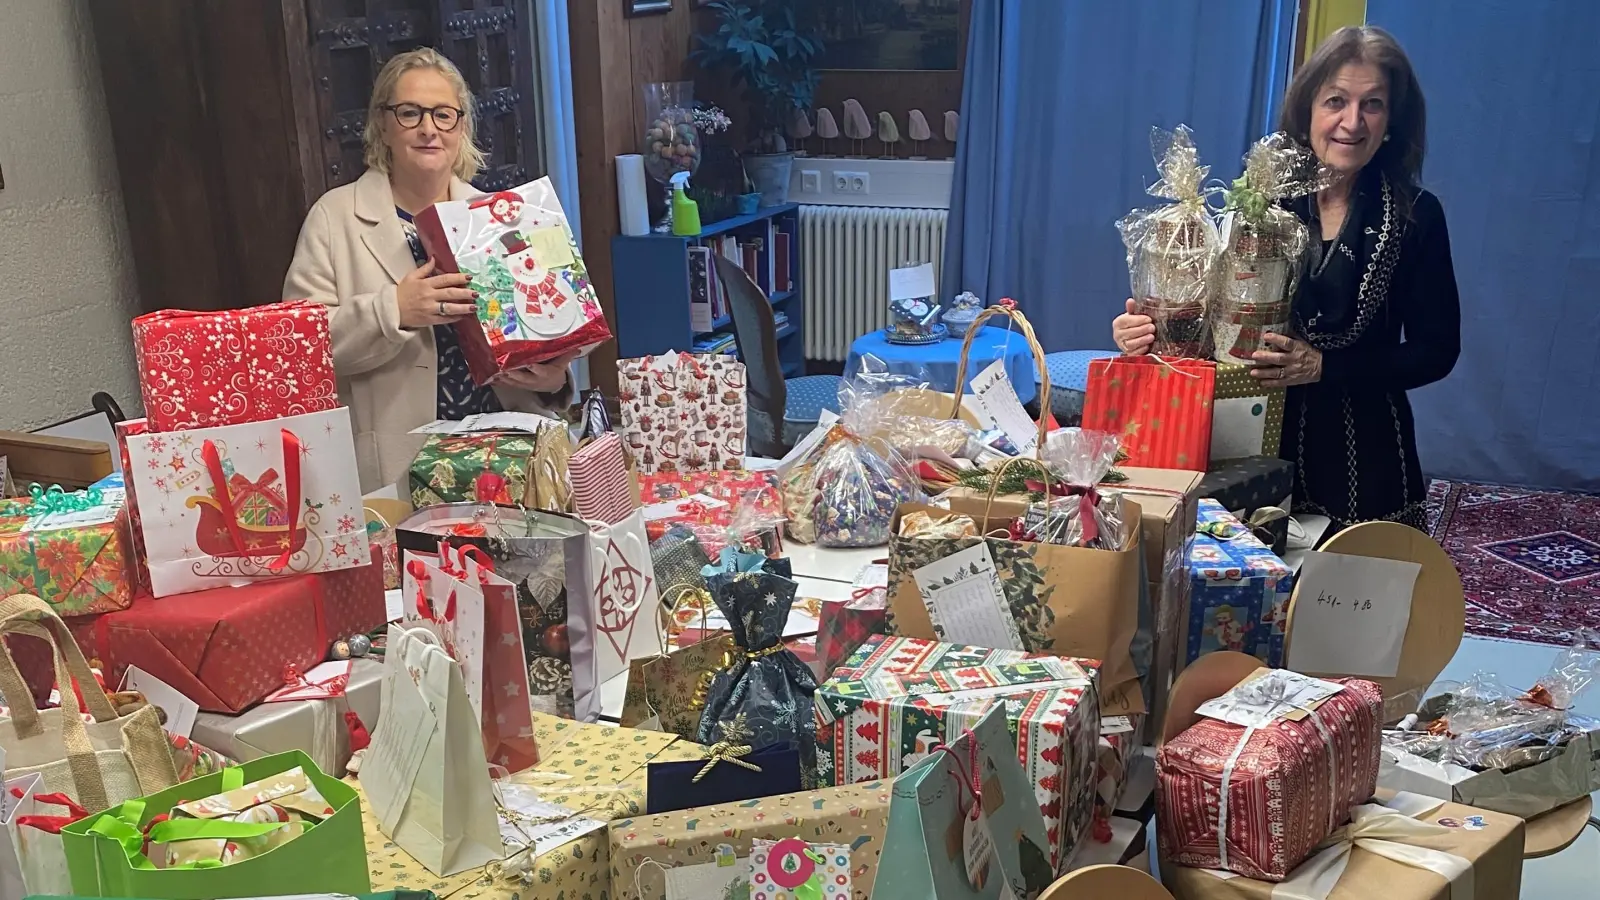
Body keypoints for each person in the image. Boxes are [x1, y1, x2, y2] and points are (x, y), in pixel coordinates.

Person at [1113, 26, 1460, 530]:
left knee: (1354, 600)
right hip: (1249, 444)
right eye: (1336, 100)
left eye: (1373, 104)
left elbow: (1437, 350)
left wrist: (1325, 366)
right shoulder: (1259, 207)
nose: (1351, 122)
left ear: (1392, 120)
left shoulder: (1416, 216)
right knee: (1243, 597)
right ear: (1308, 111)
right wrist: (1147, 333)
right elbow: (1212, 324)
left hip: (1365, 460)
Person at [284, 48, 576, 493]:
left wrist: (553, 381)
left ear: (462, 127)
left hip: (507, 455)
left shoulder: (498, 216)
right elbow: (298, 352)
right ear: (382, 123)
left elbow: (540, 334)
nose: (428, 129)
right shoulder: (334, 217)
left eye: (444, 115)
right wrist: (393, 310)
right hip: (399, 466)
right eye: (409, 113)